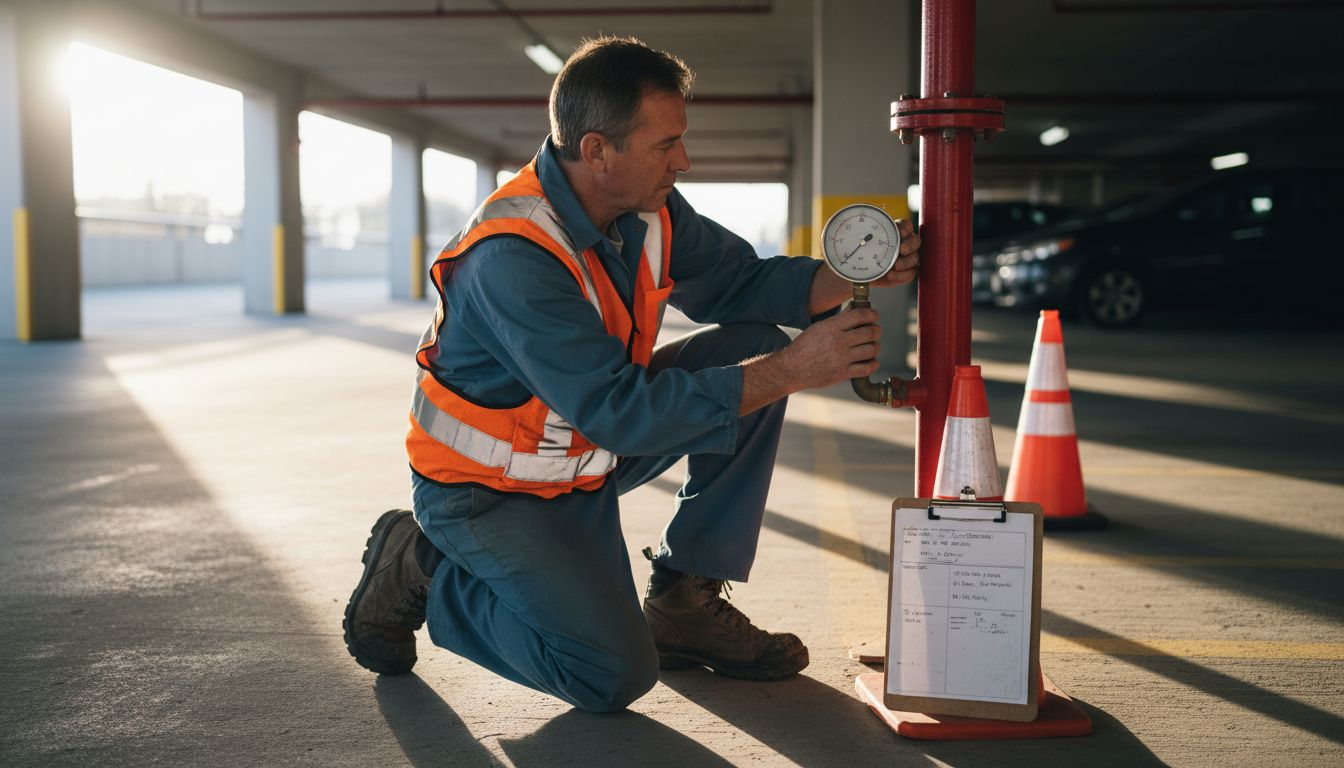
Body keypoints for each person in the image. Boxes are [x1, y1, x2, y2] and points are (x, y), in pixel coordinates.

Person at [343, 35, 920, 713]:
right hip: (490, 491)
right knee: (609, 674)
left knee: (752, 346)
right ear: (597, 152)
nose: (683, 159)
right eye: (665, 144)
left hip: (583, 458)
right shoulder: (513, 257)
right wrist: (792, 369)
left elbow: (737, 282)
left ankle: (684, 600)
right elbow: (618, 410)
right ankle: (426, 566)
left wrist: (843, 272)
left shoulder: (646, 210)